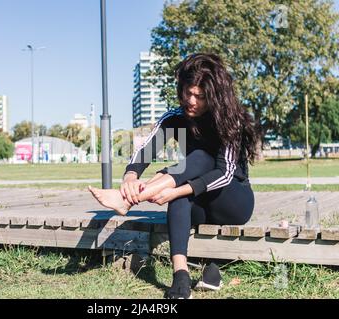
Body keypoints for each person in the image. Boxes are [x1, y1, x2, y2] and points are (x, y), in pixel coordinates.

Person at [89, 53, 258, 299]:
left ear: (213, 96)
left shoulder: (229, 120)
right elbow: (144, 151)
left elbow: (224, 173)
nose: (191, 101)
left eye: (199, 97)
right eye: (188, 93)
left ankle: (126, 201)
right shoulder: (175, 119)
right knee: (180, 192)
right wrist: (130, 178)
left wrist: (175, 189)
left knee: (200, 159)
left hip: (233, 201)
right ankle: (180, 276)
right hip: (198, 200)